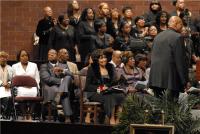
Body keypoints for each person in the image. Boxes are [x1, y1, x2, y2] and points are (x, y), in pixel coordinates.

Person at [149, 16, 188, 99]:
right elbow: (180, 60)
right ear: (177, 24)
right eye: (181, 25)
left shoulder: (157, 36)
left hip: (155, 78)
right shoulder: (178, 37)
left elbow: (152, 56)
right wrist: (184, 80)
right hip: (170, 79)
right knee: (171, 109)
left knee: (159, 108)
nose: (182, 27)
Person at [85, 49, 125, 125]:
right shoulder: (92, 69)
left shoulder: (110, 67)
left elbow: (113, 82)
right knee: (110, 96)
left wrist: (117, 82)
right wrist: (101, 88)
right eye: (101, 58)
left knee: (121, 95)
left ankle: (118, 119)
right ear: (96, 59)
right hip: (95, 92)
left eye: (105, 57)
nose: (104, 60)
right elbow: (88, 86)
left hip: (109, 90)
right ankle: (112, 118)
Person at [40, 49, 73, 123]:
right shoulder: (44, 66)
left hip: (61, 88)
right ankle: (67, 117)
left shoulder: (63, 65)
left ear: (57, 55)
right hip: (50, 87)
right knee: (65, 92)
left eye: (53, 54)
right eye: (49, 54)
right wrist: (61, 81)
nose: (50, 55)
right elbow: (47, 79)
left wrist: (63, 70)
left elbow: (71, 75)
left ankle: (59, 95)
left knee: (68, 77)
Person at [12, 50, 40, 120]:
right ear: (19, 58)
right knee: (21, 92)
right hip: (20, 87)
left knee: (34, 93)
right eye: (22, 56)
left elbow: (37, 78)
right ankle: (24, 114)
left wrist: (36, 87)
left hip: (32, 87)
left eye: (26, 55)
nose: (25, 57)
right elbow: (13, 79)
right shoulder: (14, 66)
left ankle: (30, 114)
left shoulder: (34, 65)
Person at [0, 51, 12, 118]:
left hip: (7, 88)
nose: (3, 59)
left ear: (7, 59)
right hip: (0, 87)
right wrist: (2, 83)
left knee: (8, 98)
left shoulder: (10, 68)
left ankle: (5, 114)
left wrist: (9, 83)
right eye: (1, 57)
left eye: (4, 57)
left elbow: (12, 78)